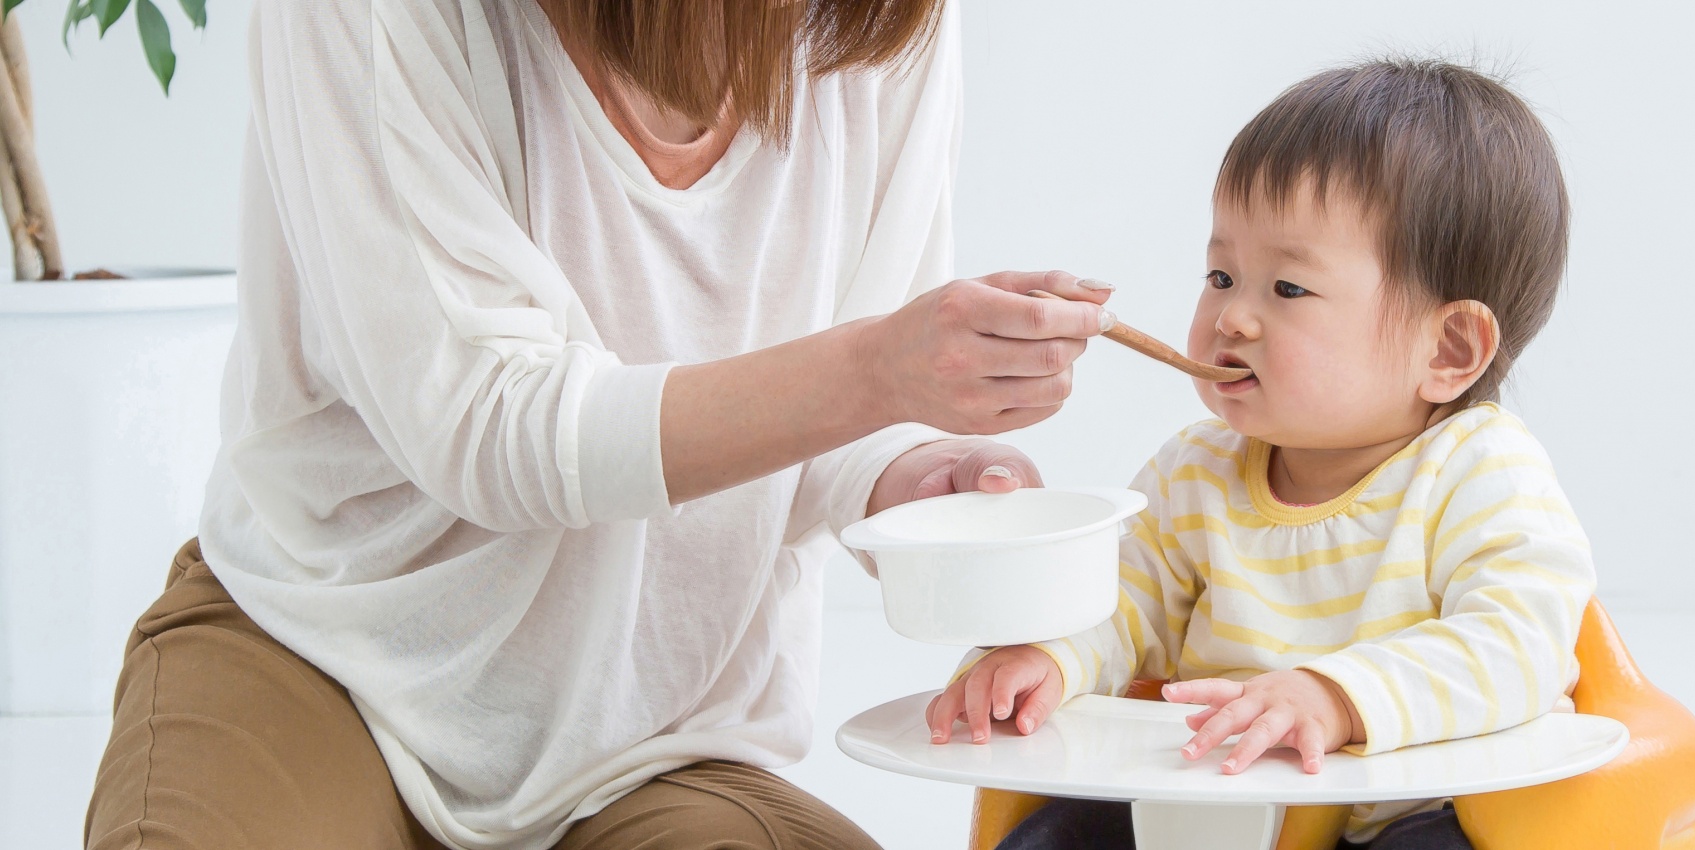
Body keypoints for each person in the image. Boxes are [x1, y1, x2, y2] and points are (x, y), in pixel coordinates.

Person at [83, 1, 1118, 849]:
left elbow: (835, 425)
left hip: (654, 733)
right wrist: (877, 369)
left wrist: (925, 474)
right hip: (326, 653)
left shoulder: (877, 27)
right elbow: (484, 427)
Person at [927, 58, 1598, 850]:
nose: (1232, 318)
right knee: (1056, 833)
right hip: (1210, 808)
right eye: (1221, 275)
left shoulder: (1481, 470)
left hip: (1400, 811)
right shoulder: (1195, 471)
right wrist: (1051, 655)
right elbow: (1120, 604)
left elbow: (1518, 646)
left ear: (1448, 347)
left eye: (1287, 289)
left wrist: (1336, 696)